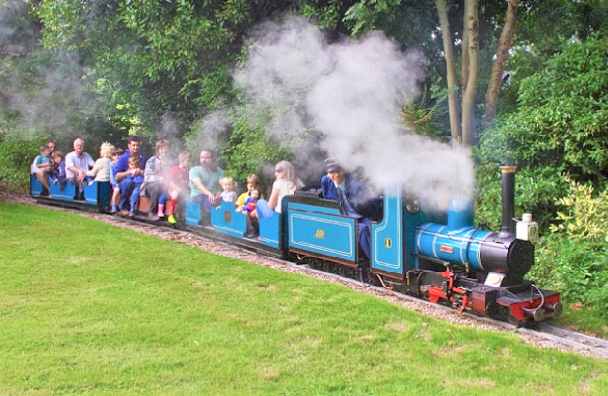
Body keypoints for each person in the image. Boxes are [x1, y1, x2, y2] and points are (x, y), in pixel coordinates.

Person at [320, 158, 383, 260]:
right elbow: (325, 198)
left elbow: (370, 199)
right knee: (362, 230)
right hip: (341, 217)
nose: (336, 175)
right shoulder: (325, 181)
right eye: (332, 172)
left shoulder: (355, 184)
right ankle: (375, 260)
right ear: (327, 173)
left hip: (360, 216)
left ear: (344, 169)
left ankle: (380, 258)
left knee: (372, 227)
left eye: (338, 170)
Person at [247, 160, 303, 238]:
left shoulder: (278, 183)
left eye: (278, 171)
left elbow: (270, 206)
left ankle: (263, 233)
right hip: (293, 217)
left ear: (286, 171)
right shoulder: (299, 183)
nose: (275, 174)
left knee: (260, 202)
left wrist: (257, 211)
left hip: (279, 218)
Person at [189, 149, 224, 226]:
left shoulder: (218, 170)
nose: (204, 160)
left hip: (213, 196)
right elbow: (199, 185)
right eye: (202, 157)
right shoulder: (194, 170)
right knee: (207, 199)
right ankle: (216, 220)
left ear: (212, 159)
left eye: (206, 158)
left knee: (227, 200)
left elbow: (223, 184)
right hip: (198, 196)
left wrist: (222, 192)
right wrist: (209, 193)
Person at [114, 136, 147, 215]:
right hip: (125, 181)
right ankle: (123, 206)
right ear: (129, 146)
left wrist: (141, 171)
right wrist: (129, 172)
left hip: (139, 181)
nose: (136, 147)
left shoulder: (143, 158)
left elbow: (147, 172)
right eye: (133, 145)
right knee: (128, 182)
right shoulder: (123, 158)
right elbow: (117, 176)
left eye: (137, 145)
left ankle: (137, 208)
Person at [167, 151, 190, 224]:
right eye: (188, 161)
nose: (189, 162)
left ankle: (185, 215)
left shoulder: (188, 171)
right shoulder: (175, 169)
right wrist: (178, 189)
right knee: (175, 194)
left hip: (184, 189)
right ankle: (170, 214)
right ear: (182, 161)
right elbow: (171, 182)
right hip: (174, 189)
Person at [109, 147, 124, 213]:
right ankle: (113, 205)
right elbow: (112, 174)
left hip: (122, 181)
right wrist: (114, 182)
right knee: (116, 190)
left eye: (119, 155)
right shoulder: (112, 164)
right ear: (112, 156)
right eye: (115, 155)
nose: (117, 157)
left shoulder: (123, 163)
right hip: (115, 182)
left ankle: (122, 205)